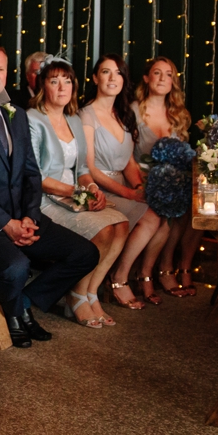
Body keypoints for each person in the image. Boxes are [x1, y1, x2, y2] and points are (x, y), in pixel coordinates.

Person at [0, 43, 101, 343]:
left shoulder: (16, 113)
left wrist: (29, 216)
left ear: (7, 74)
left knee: (85, 253)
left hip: (23, 216)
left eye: (0, 68)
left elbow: (31, 173)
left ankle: (25, 302)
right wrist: (7, 223)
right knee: (17, 265)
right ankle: (16, 314)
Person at [26, 56, 128, 327]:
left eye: (67, 80)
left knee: (121, 225)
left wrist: (92, 188)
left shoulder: (73, 118)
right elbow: (35, 175)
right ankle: (75, 295)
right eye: (54, 80)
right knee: (103, 230)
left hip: (72, 194)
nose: (62, 87)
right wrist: (75, 192)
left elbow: (83, 167)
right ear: (42, 86)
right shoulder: (33, 119)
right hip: (46, 199)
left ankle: (90, 291)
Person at [80, 55, 162, 310]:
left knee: (156, 214)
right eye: (106, 72)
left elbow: (128, 161)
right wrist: (128, 193)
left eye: (118, 73)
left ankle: (119, 274)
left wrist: (138, 188)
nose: (112, 78)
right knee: (138, 218)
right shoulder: (86, 115)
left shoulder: (123, 114)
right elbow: (90, 168)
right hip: (97, 187)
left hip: (123, 185)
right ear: (95, 78)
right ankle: (116, 279)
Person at [133, 56, 196, 297]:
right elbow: (125, 156)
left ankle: (174, 265)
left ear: (173, 82)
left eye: (168, 75)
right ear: (147, 78)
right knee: (164, 214)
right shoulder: (133, 111)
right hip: (143, 179)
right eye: (157, 73)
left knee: (195, 209)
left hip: (174, 182)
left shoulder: (178, 113)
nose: (162, 78)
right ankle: (148, 272)